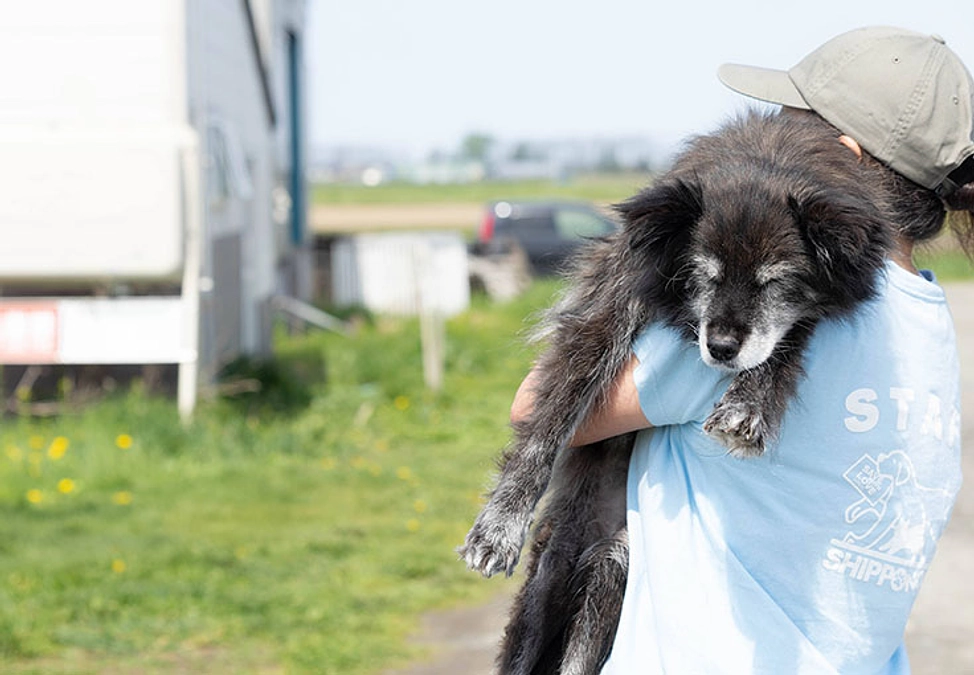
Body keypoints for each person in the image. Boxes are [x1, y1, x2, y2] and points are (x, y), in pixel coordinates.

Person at [511, 26, 974, 673]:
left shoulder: (764, 321)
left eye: (786, 123)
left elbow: (536, 403)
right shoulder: (929, 326)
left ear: (838, 151)